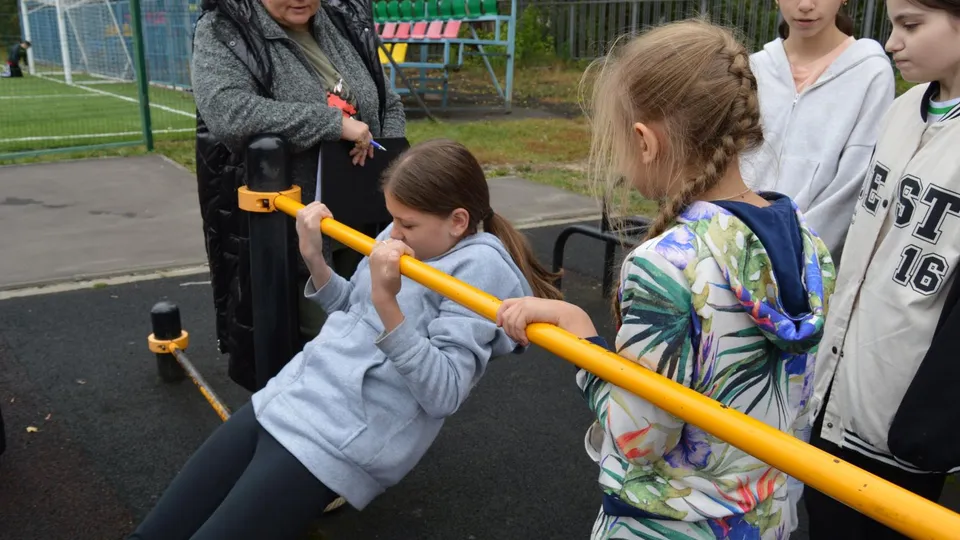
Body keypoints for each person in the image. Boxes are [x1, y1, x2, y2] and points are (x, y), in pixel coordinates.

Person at [495, 19, 836, 539]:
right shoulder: (803, 238)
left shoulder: (665, 265)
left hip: (667, 526)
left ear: (644, 140)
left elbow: (638, 438)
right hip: (761, 519)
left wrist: (583, 344)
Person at [127, 139, 563, 540]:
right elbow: (354, 311)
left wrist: (388, 303)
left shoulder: (480, 270)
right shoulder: (404, 240)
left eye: (406, 223)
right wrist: (314, 258)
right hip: (290, 396)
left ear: (458, 221)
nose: (393, 233)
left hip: (335, 440)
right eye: (392, 218)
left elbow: (444, 392)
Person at [191, 0, 406, 394]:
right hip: (293, 223)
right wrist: (333, 124)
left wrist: (383, 149)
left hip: (364, 211)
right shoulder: (225, 29)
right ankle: (313, 432)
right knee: (318, 337)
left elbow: (385, 99)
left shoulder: (339, 21)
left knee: (371, 322)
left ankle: (367, 418)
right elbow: (229, 111)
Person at [802, 0, 960, 536]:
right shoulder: (902, 107)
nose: (892, 41)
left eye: (911, 25)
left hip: (907, 406)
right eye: (893, 24)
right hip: (836, 383)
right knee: (822, 517)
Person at [742, 0, 895, 264]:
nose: (805, 5)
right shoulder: (754, 68)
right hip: (734, 243)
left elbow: (853, 182)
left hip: (806, 262)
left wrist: (793, 253)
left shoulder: (871, 72)